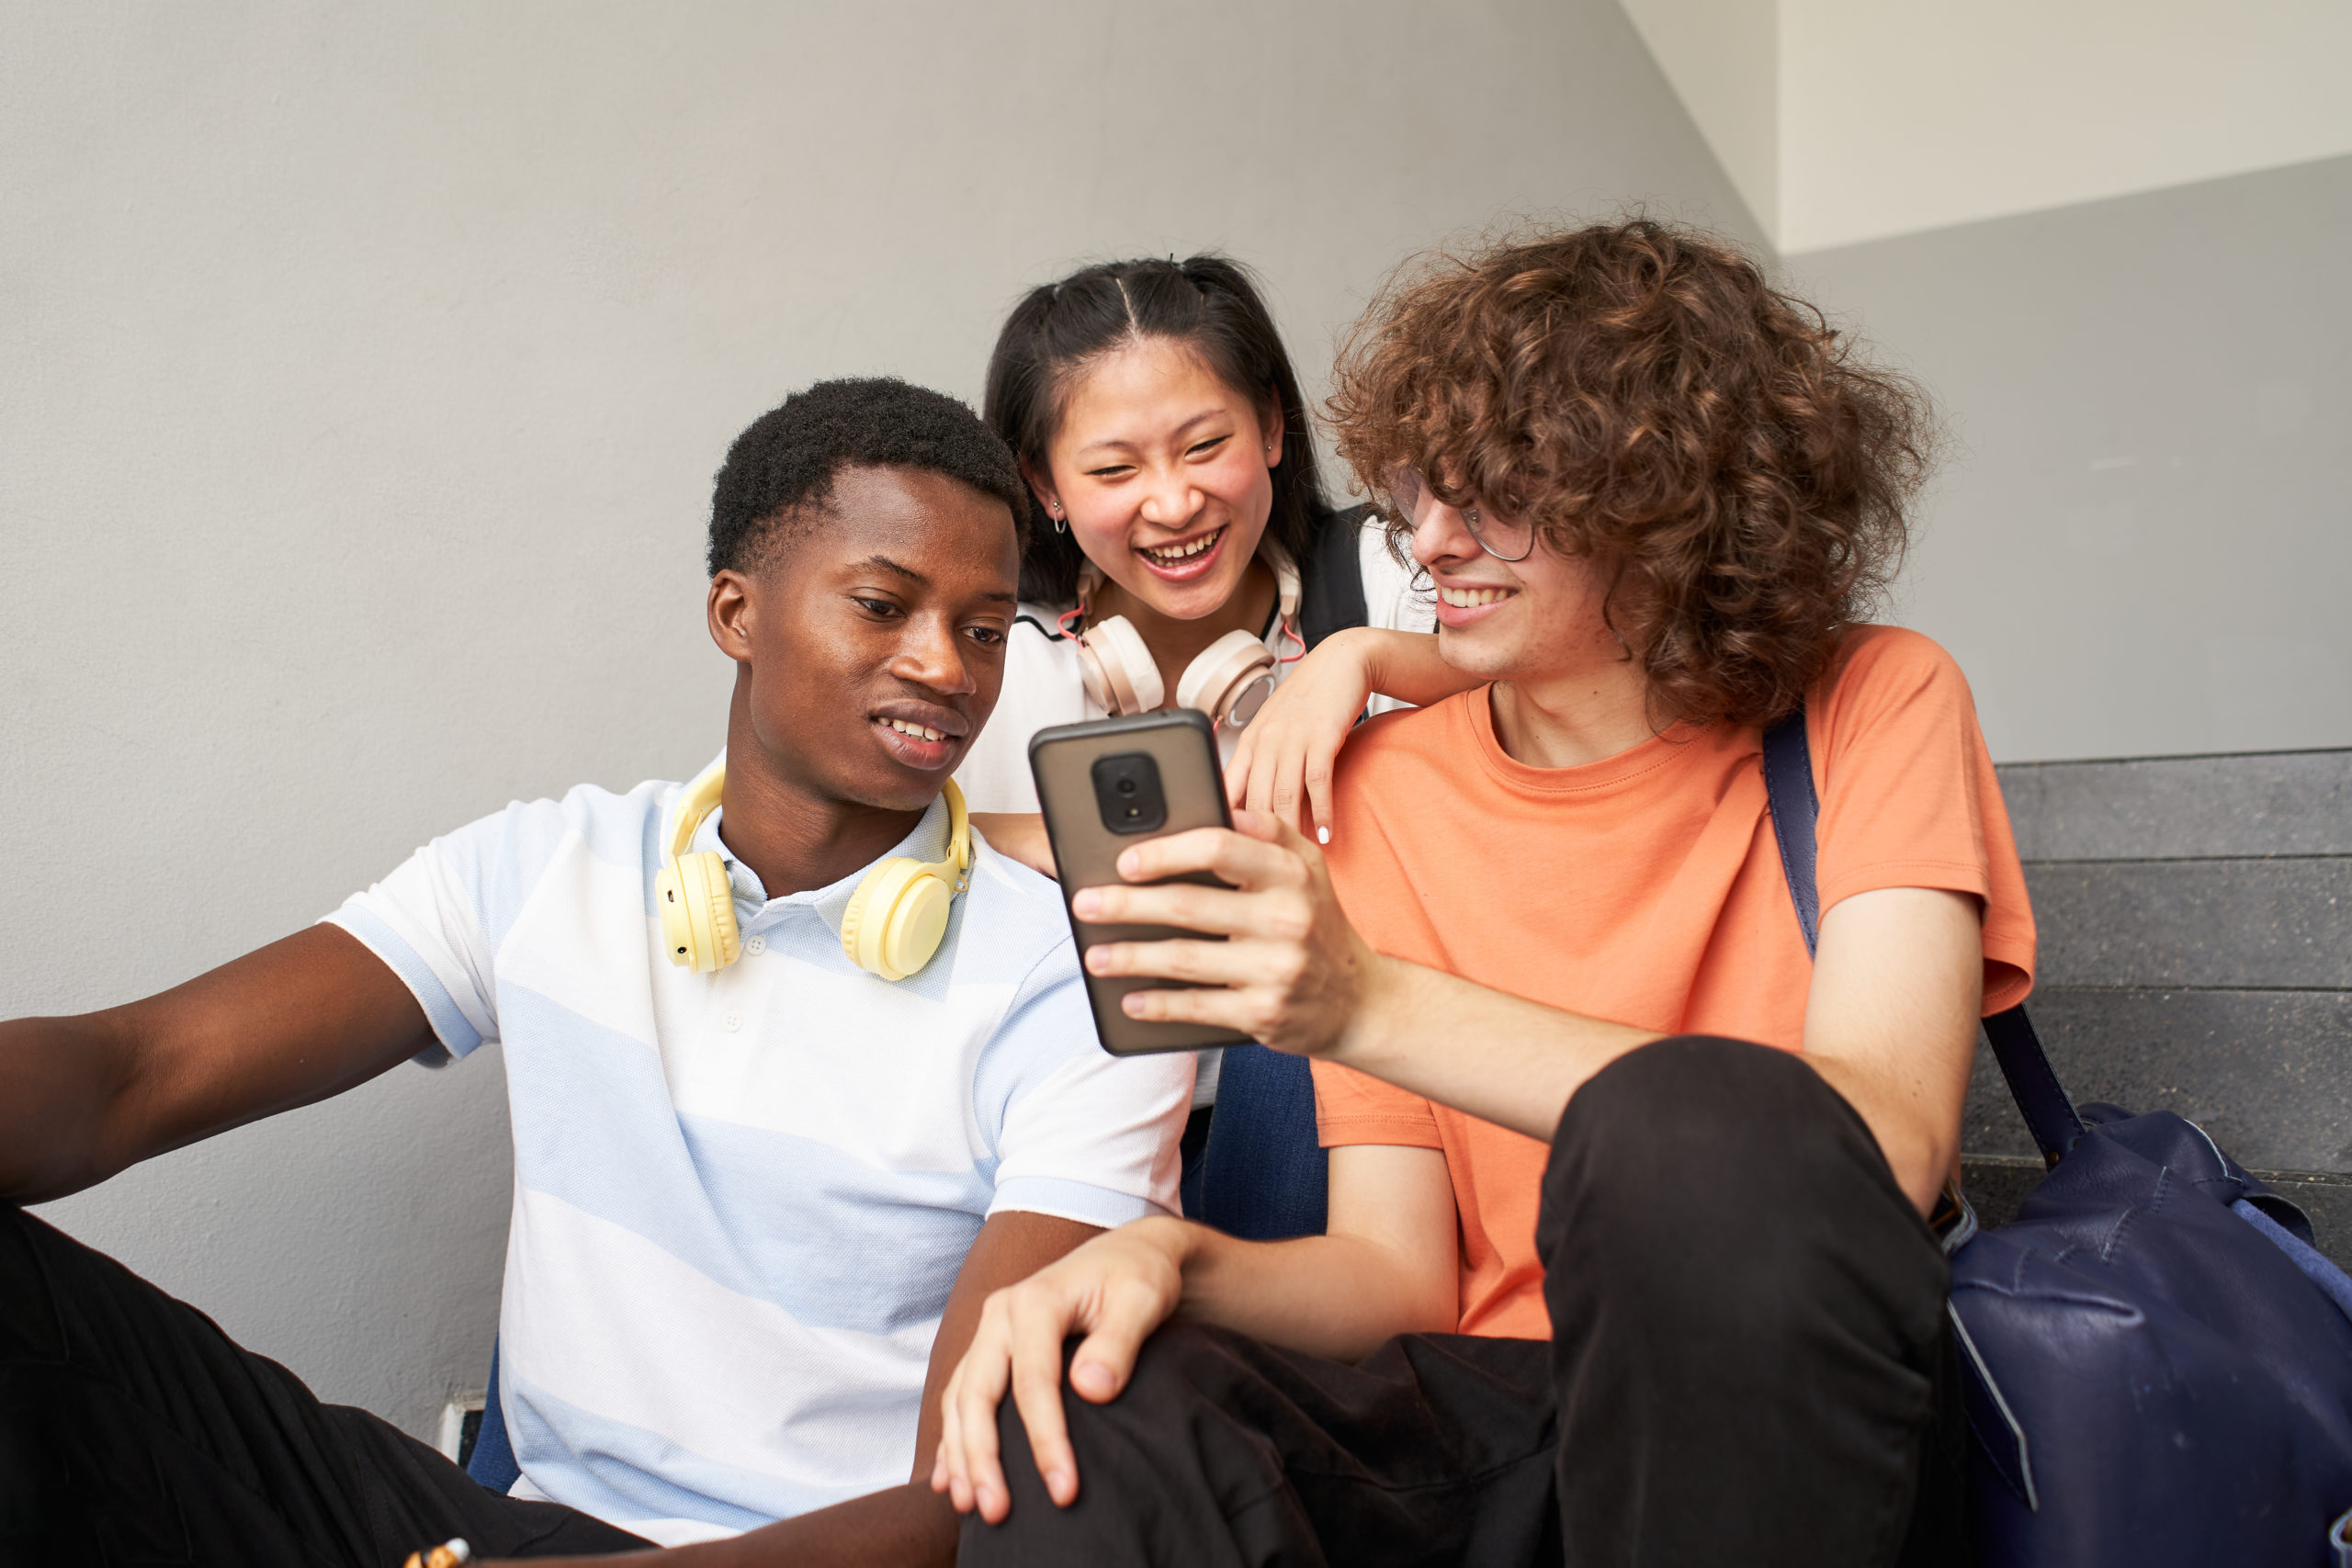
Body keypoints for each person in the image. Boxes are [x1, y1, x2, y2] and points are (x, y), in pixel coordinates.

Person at [929, 220, 2039, 1567]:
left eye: (1498, 496)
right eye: (1420, 491)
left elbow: (1883, 1142)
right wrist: (1174, 1261)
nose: (1432, 541)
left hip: (1773, 1403)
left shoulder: (1878, 697)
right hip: (1500, 1407)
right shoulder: (1384, 782)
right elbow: (1398, 1276)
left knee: (1689, 1124)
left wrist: (1367, 999)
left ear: (1671, 497)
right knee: (1095, 1409)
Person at [0, 378, 1193, 1566]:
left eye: (985, 627)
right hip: (496, 1533)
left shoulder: (1083, 987)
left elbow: (970, 1497)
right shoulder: (542, 865)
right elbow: (131, 1071)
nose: (948, 665)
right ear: (737, 611)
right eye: (884, 604)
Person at [952, 256, 1436, 1214]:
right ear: (1042, 484)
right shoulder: (1000, 663)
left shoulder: (1388, 578)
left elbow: (1561, 672)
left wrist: (1361, 661)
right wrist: (1021, 838)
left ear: (1270, 426)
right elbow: (848, 835)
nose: (1171, 504)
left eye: (1204, 443)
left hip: (1348, 1117)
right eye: (1112, 469)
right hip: (1083, 1133)